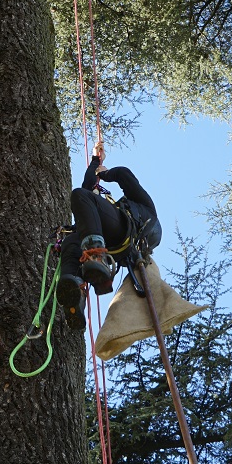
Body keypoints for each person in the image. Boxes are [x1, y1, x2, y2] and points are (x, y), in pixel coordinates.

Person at [56, 140, 162, 330]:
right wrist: (96, 161)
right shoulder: (103, 218)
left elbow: (122, 174)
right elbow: (87, 188)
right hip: (114, 245)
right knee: (71, 241)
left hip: (123, 234)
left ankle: (96, 256)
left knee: (80, 197)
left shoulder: (144, 209)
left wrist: (103, 173)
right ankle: (75, 291)